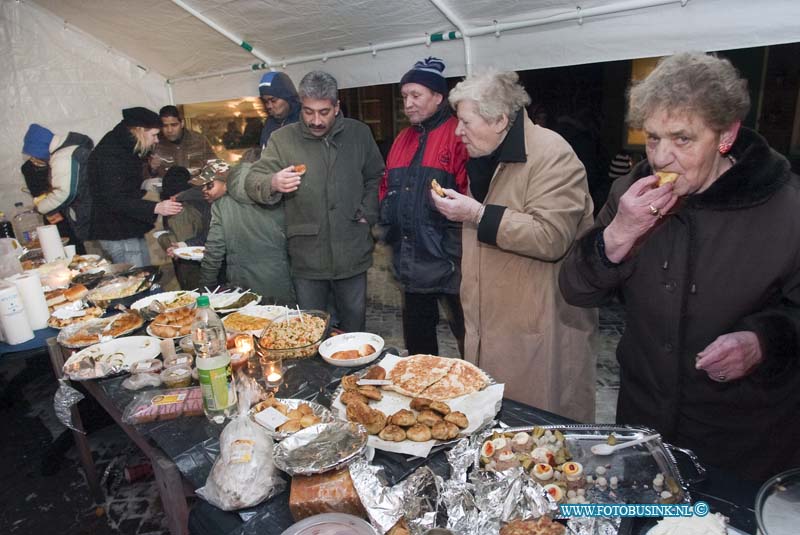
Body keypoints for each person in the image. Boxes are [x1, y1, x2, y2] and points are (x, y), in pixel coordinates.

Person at [558, 52, 800, 480]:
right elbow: (576, 289)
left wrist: (763, 340)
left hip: (744, 436)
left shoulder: (786, 207)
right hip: (644, 423)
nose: (661, 157)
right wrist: (620, 232)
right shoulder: (629, 192)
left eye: (682, 139)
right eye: (652, 138)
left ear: (725, 135)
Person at [430, 69, 597, 422]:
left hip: (537, 328)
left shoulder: (553, 154)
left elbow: (551, 236)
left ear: (500, 120)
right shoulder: (486, 155)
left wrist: (475, 213)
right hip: (492, 324)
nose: (457, 132)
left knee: (537, 431)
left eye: (465, 122)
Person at [245, 71, 384, 331]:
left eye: (324, 112)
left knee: (355, 327)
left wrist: (368, 211)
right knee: (311, 329)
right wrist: (273, 182)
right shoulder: (282, 139)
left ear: (337, 107)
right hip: (306, 256)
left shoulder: (359, 134)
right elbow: (253, 179)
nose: (316, 121)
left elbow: (376, 176)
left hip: (351, 248)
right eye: (308, 112)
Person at [378, 57, 468, 356]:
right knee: (418, 348)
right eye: (405, 96)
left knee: (470, 339)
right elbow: (385, 188)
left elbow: (472, 195)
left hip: (452, 263)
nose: (408, 103)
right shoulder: (402, 139)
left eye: (416, 95)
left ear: (439, 97)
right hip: (412, 263)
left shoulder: (459, 134)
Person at [88, 107, 182, 266]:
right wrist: (156, 207)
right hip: (117, 231)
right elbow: (114, 198)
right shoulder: (111, 154)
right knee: (137, 281)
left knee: (145, 275)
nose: (157, 140)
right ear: (139, 131)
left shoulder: (123, 146)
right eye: (154, 135)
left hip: (126, 226)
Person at [201, 160, 295, 304]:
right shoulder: (279, 199)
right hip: (279, 281)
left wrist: (206, 287)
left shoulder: (221, 205)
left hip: (240, 286)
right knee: (282, 324)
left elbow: (214, 250)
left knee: (244, 325)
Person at [21, 124, 94, 253]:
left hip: (73, 208)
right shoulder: (32, 167)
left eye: (35, 156)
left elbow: (63, 192)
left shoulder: (61, 157)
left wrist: (40, 208)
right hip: (67, 210)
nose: (34, 160)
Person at [148, 105, 217, 178]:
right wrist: (152, 168)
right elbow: (144, 178)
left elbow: (215, 165)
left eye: (174, 125)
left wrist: (201, 171)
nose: (169, 130)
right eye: (165, 126)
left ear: (182, 123)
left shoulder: (199, 140)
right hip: (167, 187)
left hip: (197, 185)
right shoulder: (154, 142)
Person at [258, 71, 301, 149]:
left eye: (273, 100)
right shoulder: (269, 123)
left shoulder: (304, 119)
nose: (269, 106)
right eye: (265, 102)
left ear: (287, 97)